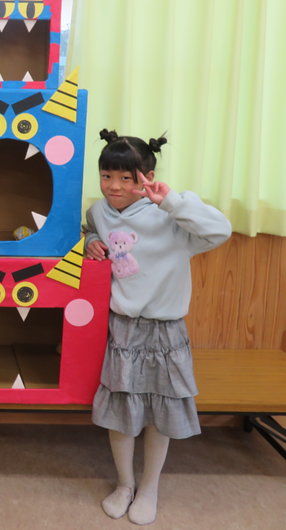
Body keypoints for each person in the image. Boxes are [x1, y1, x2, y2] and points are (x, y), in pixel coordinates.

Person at [83, 129, 231, 525]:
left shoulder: (172, 215)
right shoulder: (99, 211)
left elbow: (221, 230)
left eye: (126, 178)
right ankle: (125, 484)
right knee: (121, 410)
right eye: (106, 175)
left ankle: (150, 488)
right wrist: (91, 240)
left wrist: (172, 201)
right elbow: (91, 230)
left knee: (159, 413)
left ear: (147, 177)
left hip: (165, 331)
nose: (114, 186)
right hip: (121, 328)